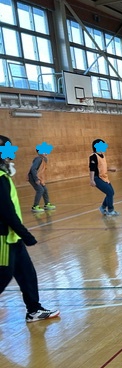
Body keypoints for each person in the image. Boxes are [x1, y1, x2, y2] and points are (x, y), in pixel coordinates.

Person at [0, 135, 60, 323]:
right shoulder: (0, 178)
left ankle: (34, 310)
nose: (11, 154)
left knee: (27, 273)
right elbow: (6, 212)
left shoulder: (3, 176)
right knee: (3, 275)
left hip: (13, 236)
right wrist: (26, 234)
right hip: (3, 237)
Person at [89, 139, 119, 216]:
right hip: (97, 178)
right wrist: (92, 180)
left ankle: (102, 208)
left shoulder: (102, 155)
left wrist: (110, 169)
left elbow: (101, 167)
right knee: (109, 192)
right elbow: (92, 169)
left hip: (105, 178)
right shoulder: (93, 156)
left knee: (111, 192)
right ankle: (110, 210)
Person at [28, 147, 56, 213]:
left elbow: (41, 171)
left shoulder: (44, 159)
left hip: (39, 177)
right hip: (33, 177)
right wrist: (36, 179)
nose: (45, 153)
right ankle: (35, 206)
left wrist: (41, 179)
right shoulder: (38, 159)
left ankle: (47, 204)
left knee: (45, 189)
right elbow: (33, 169)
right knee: (40, 190)